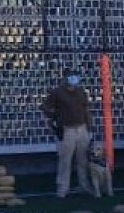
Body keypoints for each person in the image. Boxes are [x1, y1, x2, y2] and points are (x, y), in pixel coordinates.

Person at [40, 68, 96, 198]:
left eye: (75, 76)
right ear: (65, 78)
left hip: (81, 128)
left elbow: (86, 109)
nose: (73, 79)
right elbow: (44, 106)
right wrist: (54, 117)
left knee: (83, 159)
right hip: (66, 129)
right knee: (65, 160)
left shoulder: (81, 92)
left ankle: (84, 185)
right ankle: (62, 189)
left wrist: (90, 127)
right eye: (71, 76)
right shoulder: (57, 92)